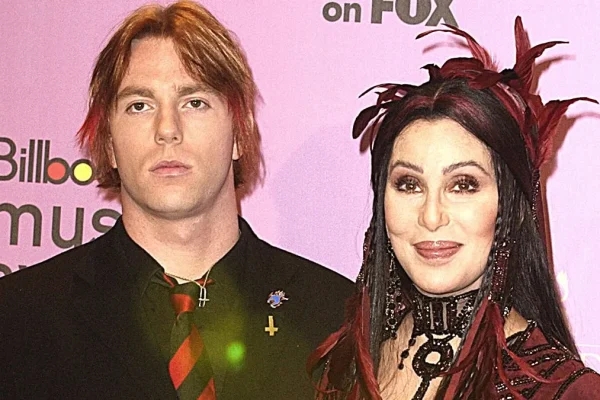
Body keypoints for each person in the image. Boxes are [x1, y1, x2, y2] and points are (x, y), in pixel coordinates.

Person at [0, 2, 352, 399]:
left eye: (194, 102)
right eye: (139, 105)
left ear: (239, 133)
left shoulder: (337, 320)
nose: (167, 129)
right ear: (109, 144)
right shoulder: (17, 320)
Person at [308, 17, 600, 399]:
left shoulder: (569, 391)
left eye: (463, 185)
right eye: (409, 184)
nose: (431, 217)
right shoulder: (345, 365)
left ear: (509, 208)